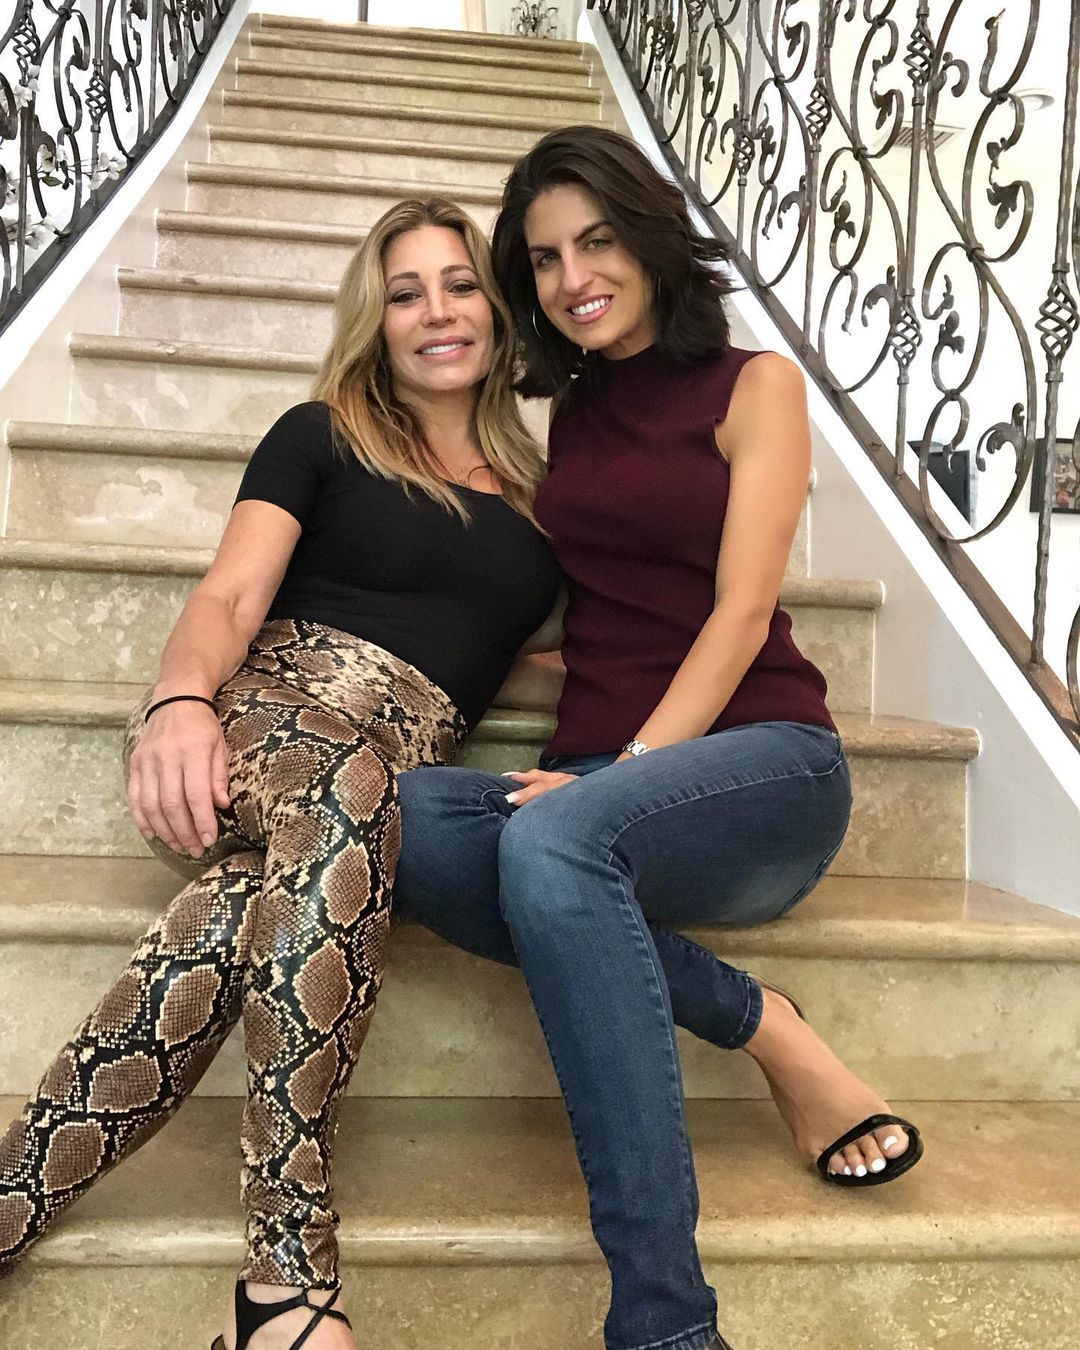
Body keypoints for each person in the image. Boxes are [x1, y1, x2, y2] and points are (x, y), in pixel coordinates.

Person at [393, 128, 923, 1350]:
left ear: (648, 237)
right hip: (603, 787)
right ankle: (759, 1019)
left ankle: (665, 1321)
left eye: (596, 241)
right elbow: (604, 609)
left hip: (762, 765)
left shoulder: (756, 386)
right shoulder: (570, 417)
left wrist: (618, 777)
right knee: (400, 815)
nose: (573, 277)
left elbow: (737, 614)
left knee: (553, 845)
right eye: (542, 259)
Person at [0, 198, 561, 1350]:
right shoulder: (322, 435)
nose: (437, 311)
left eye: (460, 284)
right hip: (258, 716)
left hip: (371, 784)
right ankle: (286, 1266)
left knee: (232, 915)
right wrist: (179, 702)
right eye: (405, 293)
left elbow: (529, 649)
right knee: (346, 790)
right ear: (376, 320)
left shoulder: (544, 499)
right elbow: (229, 595)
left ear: (499, 312)